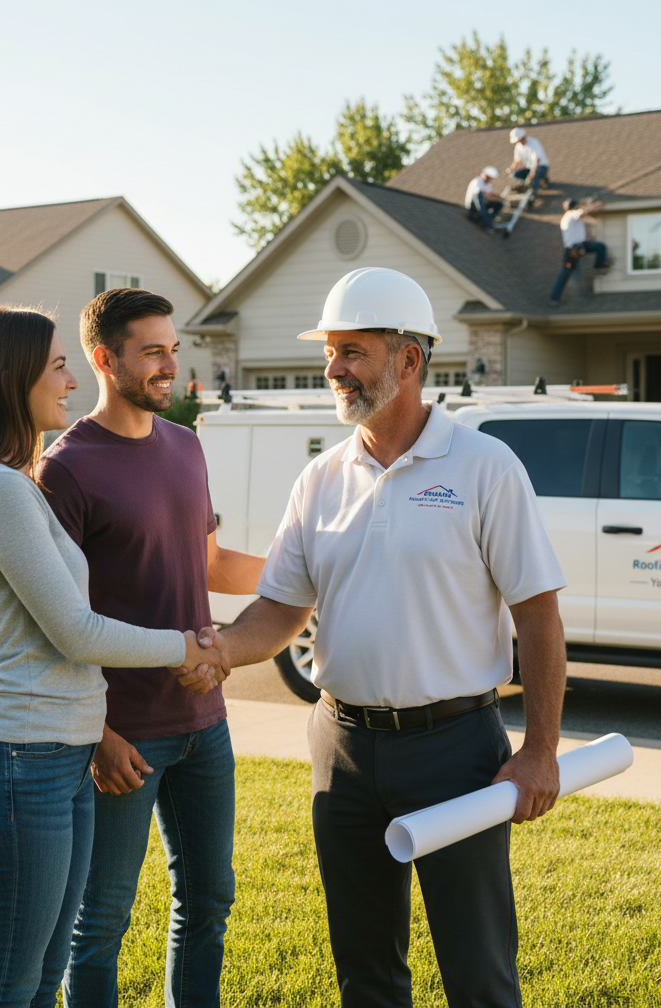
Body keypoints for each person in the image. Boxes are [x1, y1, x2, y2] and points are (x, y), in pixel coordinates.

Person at [194, 267, 569, 1007]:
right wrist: (219, 653)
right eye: (331, 352)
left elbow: (538, 616)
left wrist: (540, 751)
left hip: (456, 751)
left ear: (409, 360)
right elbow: (280, 609)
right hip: (344, 751)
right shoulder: (321, 478)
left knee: (478, 970)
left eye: (353, 351)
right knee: (364, 969)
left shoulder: (485, 467)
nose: (333, 369)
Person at [0, 306, 223, 1008]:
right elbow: (77, 632)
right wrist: (187, 645)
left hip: (57, 756)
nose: (68, 379)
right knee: (6, 988)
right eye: (57, 365)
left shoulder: (13, 483)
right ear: (13, 375)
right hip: (18, 763)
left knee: (36, 981)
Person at [34, 288, 265, 1008]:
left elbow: (211, 566)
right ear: (105, 360)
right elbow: (53, 622)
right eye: (154, 351)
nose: (172, 364)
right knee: (98, 922)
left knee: (209, 903)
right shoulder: (65, 470)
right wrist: (98, 736)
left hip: (206, 728)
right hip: (122, 736)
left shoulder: (186, 446)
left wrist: (317, 572)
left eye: (174, 347)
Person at [550, 198, 610, 304]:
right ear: (575, 206)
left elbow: (582, 214)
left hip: (576, 247)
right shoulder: (572, 214)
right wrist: (596, 206)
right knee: (600, 247)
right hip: (575, 250)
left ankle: (554, 298)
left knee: (600, 247)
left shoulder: (565, 217)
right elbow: (583, 212)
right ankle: (599, 267)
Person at [507, 126, 550, 195]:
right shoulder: (518, 147)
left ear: (523, 137)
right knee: (516, 174)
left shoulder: (534, 143)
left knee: (536, 174)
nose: (520, 142)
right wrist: (511, 170)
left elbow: (536, 160)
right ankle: (524, 186)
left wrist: (532, 173)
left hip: (541, 167)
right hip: (528, 168)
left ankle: (533, 192)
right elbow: (517, 160)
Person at [463, 166, 503, 231]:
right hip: (472, 207)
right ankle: (485, 222)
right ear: (483, 174)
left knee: (499, 203)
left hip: (482, 205)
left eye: (490, 178)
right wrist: (491, 197)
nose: (488, 179)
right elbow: (483, 195)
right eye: (487, 177)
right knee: (479, 195)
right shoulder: (477, 181)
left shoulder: (488, 185)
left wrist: (497, 198)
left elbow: (489, 195)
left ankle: (489, 220)